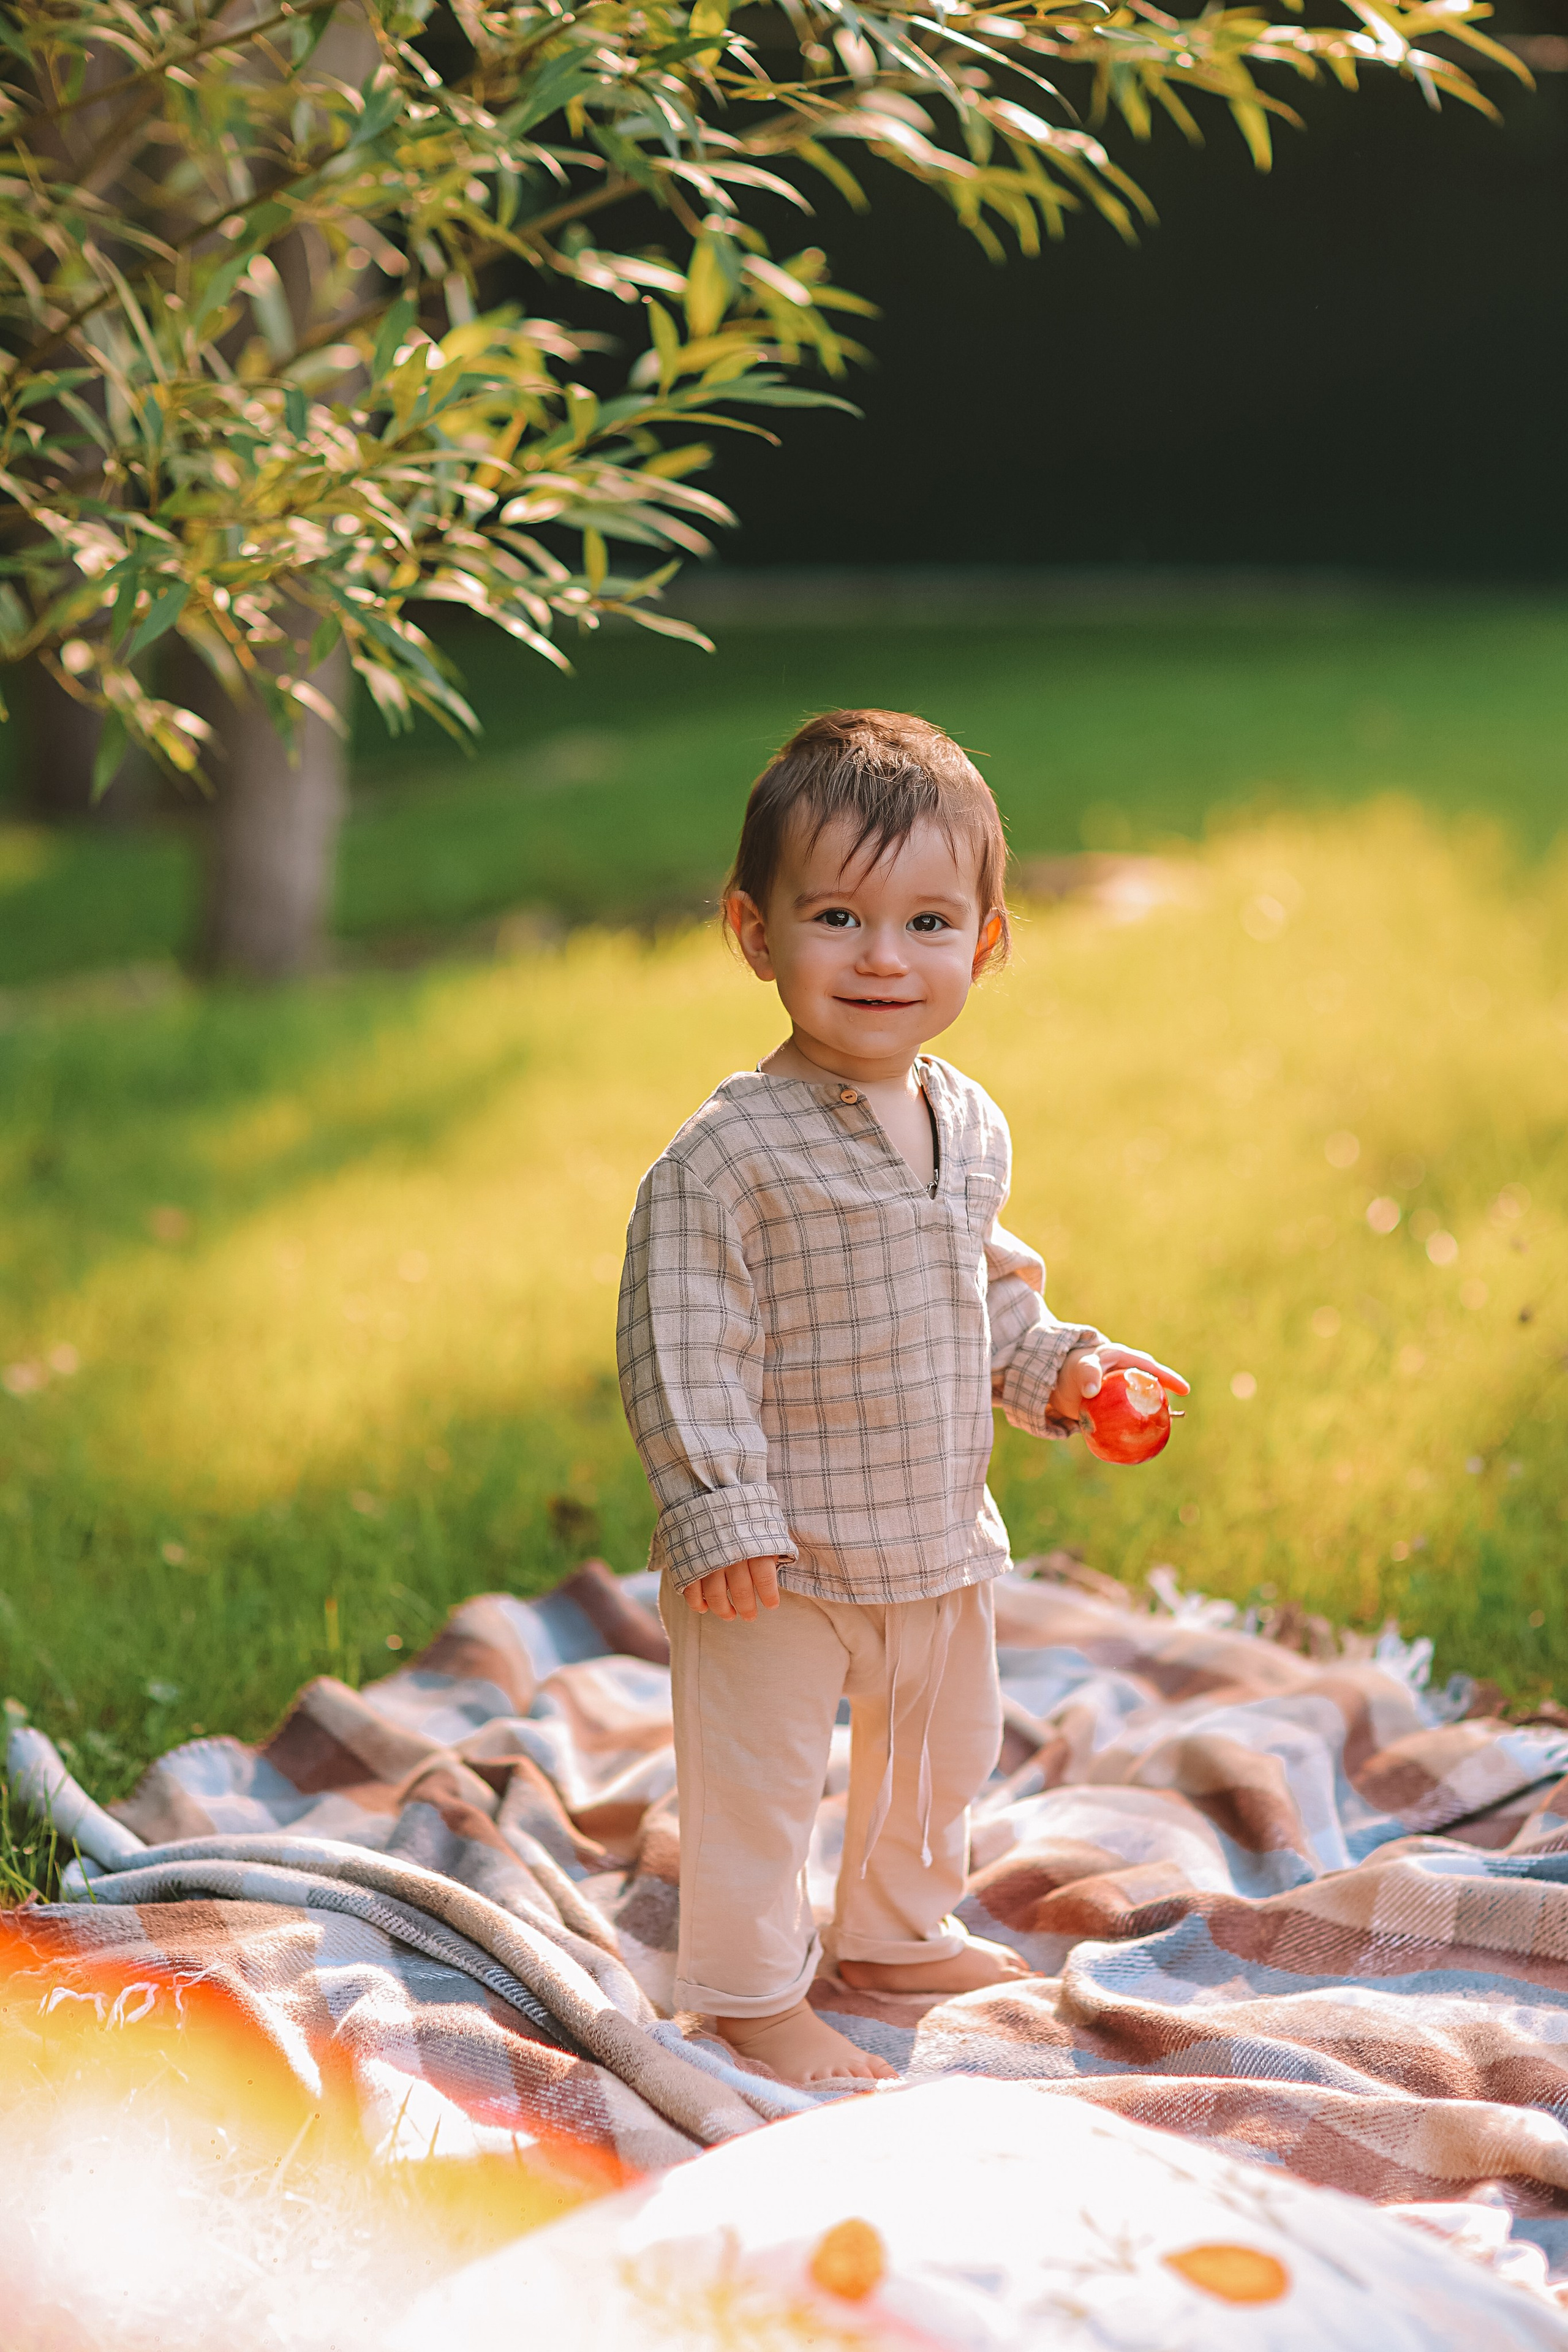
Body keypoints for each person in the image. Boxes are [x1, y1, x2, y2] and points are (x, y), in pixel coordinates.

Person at [616, 709, 1188, 2085]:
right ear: (755, 936)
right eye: (837, 917)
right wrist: (719, 1511)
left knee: (941, 1756)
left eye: (928, 922)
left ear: (984, 943)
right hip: (782, 1552)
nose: (884, 957)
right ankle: (751, 1989)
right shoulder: (726, 1156)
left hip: (932, 1531)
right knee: (756, 1782)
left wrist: (1070, 1370)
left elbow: (980, 1295)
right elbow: (678, 1336)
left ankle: (887, 1928)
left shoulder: (966, 1123)